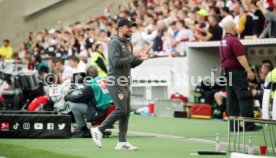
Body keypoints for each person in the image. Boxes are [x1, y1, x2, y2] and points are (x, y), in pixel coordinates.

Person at [91, 18, 151, 150]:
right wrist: (134, 56)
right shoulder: (114, 43)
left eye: (131, 27)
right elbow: (115, 62)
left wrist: (140, 59)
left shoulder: (128, 44)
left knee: (126, 112)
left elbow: (130, 64)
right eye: (127, 27)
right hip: (115, 81)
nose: (130, 29)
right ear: (119, 29)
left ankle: (121, 142)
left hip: (124, 81)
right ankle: (99, 130)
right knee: (121, 110)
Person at [219, 21, 261, 131]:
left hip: (227, 72)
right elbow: (241, 57)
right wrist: (249, 71)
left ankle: (234, 126)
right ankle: (249, 125)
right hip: (236, 72)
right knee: (245, 97)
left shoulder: (223, 41)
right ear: (233, 28)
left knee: (232, 100)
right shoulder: (234, 41)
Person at [64, 66, 113, 138]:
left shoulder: (91, 84)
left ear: (90, 74)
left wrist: (66, 97)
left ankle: (83, 130)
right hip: (108, 108)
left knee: (73, 105)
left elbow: (78, 98)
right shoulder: (104, 79)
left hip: (99, 112)